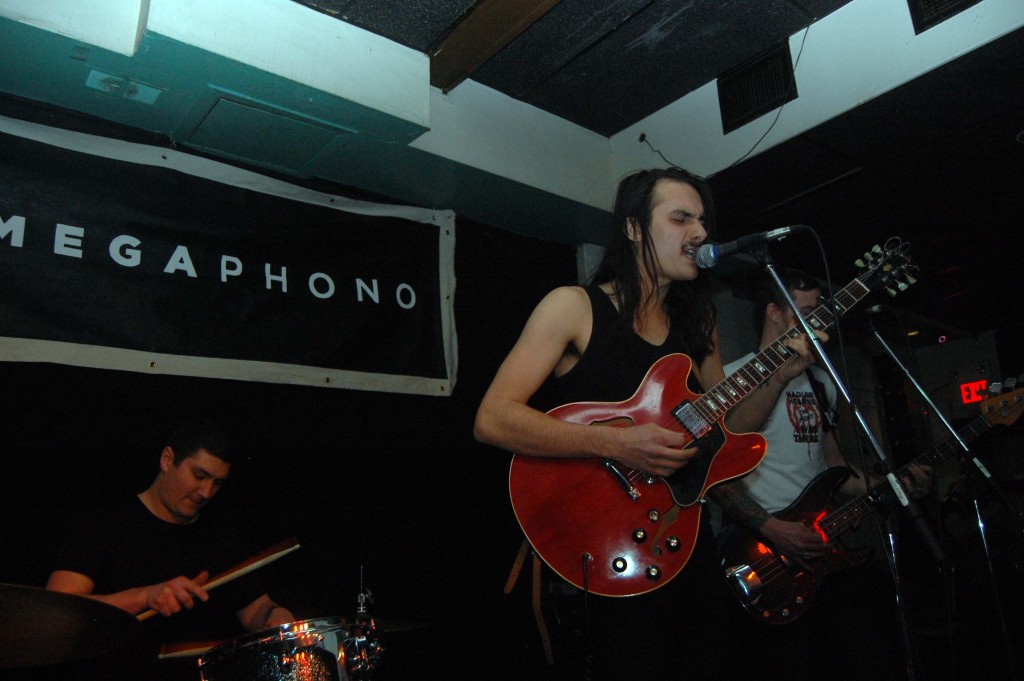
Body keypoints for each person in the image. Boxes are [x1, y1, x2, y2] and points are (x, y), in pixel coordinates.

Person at [474, 167, 823, 680]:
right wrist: (616, 443)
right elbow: (492, 418)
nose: (700, 233)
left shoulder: (697, 321)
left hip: (682, 536)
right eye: (681, 218)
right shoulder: (573, 307)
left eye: (701, 220)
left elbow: (724, 427)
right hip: (598, 537)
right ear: (635, 229)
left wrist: (776, 375)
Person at [711, 267, 934, 681]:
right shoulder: (731, 379)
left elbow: (836, 469)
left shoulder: (820, 384)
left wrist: (894, 486)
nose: (819, 321)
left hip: (819, 545)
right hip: (762, 547)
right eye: (808, 311)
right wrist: (773, 529)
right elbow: (718, 475)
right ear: (775, 312)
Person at [46, 418, 295, 674]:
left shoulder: (221, 536)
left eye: (217, 483)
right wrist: (145, 596)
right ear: (167, 459)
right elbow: (56, 613)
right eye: (199, 475)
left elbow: (256, 609)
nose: (206, 492)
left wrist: (274, 616)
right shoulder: (103, 524)